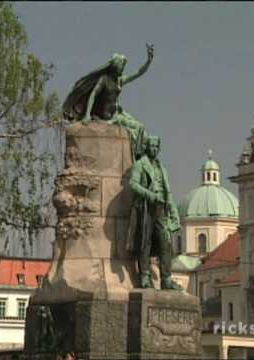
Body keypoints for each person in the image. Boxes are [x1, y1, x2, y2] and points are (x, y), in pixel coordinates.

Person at [62, 45, 154, 160]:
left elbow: (138, 73)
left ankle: (137, 156)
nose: (123, 68)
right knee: (136, 128)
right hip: (107, 116)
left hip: (118, 113)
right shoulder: (104, 79)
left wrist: (149, 61)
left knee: (140, 127)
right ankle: (137, 155)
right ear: (116, 66)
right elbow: (93, 95)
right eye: (122, 65)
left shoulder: (120, 81)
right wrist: (87, 115)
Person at [126, 135, 183, 290]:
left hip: (161, 208)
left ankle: (166, 279)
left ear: (159, 148)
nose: (153, 149)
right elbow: (133, 184)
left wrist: (174, 213)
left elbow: (168, 192)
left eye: (155, 146)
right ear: (146, 147)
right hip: (146, 207)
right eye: (150, 146)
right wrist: (150, 195)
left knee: (166, 243)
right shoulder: (140, 164)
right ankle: (144, 275)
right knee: (145, 241)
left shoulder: (162, 168)